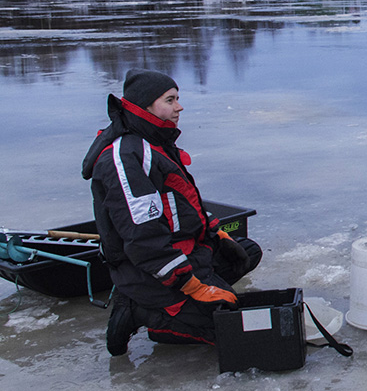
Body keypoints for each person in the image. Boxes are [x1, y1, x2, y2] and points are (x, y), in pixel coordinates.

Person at [82, 70, 261, 356]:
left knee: (245, 251)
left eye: (177, 98)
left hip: (183, 250)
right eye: (170, 100)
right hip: (145, 271)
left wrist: (216, 232)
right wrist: (190, 285)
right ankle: (141, 310)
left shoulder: (156, 141)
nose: (179, 107)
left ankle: (185, 301)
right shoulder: (126, 158)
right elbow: (143, 239)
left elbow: (183, 204)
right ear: (145, 106)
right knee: (232, 333)